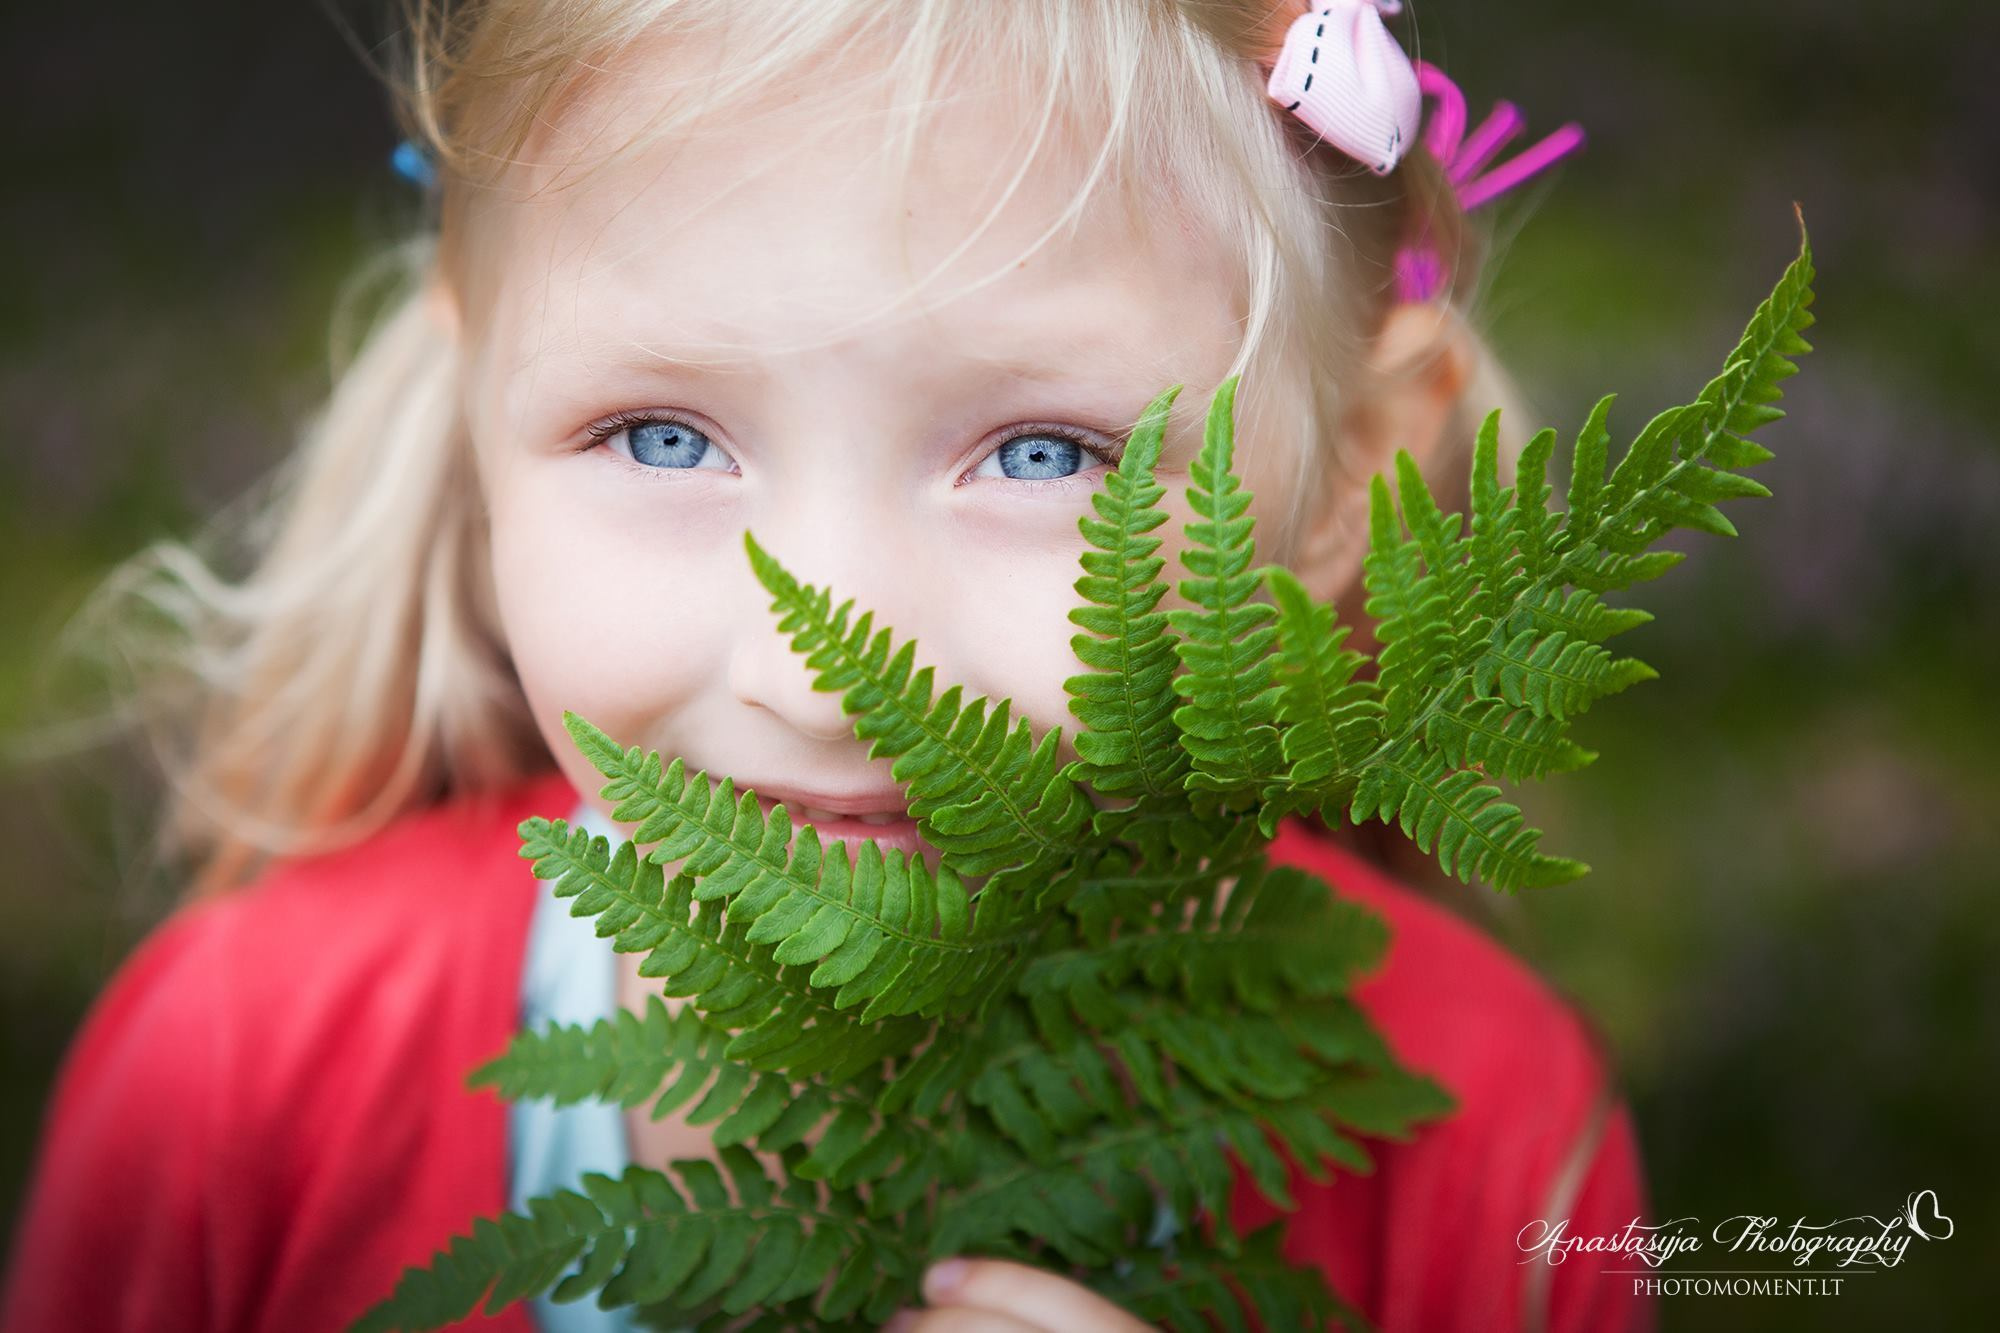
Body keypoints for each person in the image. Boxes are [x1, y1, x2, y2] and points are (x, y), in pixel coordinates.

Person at [3, 1, 1655, 1329]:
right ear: (476, 412)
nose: (829, 674)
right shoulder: (233, 1083)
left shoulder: (1491, 1148)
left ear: (1345, 482)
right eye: (663, 434)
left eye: (1040, 455)